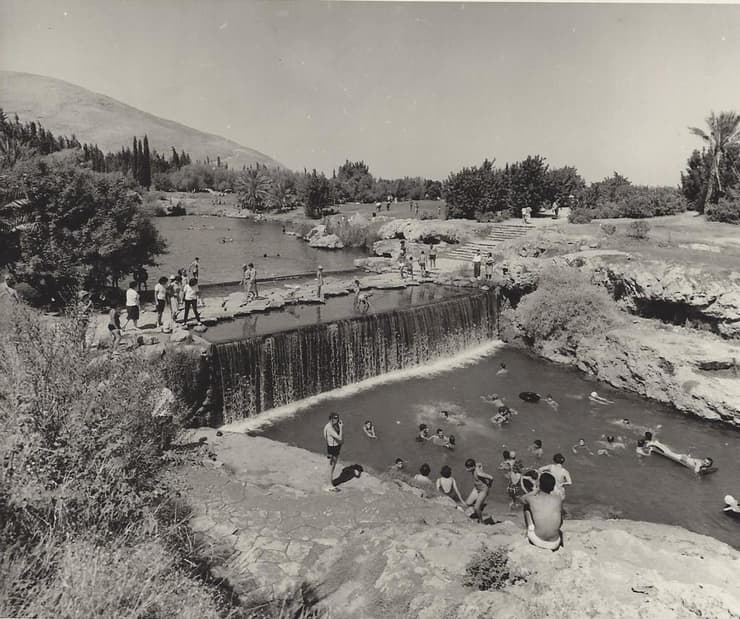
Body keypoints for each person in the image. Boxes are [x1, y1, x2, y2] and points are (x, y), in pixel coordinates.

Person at [521, 472, 563, 551]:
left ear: (540, 484)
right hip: (555, 543)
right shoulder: (558, 499)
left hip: (538, 541)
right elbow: (561, 521)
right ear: (553, 487)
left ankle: (530, 528)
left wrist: (536, 490)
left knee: (526, 506)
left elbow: (522, 498)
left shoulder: (532, 499)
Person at [323, 413, 344, 492]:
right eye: (335, 418)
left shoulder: (330, 426)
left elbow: (325, 437)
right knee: (330, 468)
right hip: (333, 449)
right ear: (331, 419)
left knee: (332, 467)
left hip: (332, 447)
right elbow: (339, 437)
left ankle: (328, 483)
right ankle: (329, 486)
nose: (337, 420)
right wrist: (341, 428)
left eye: (337, 418)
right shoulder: (329, 428)